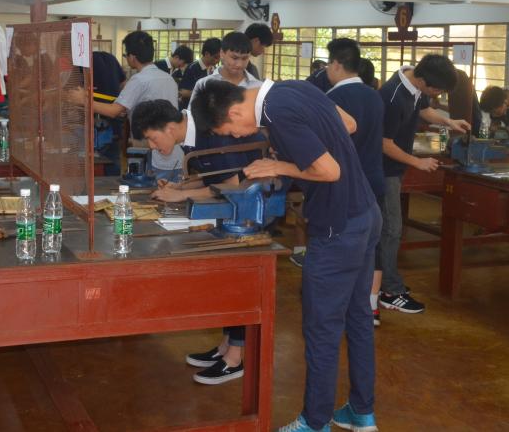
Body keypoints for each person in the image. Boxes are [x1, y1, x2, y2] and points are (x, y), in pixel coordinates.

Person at [191, 79, 381, 432]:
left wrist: (281, 166)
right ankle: (361, 412)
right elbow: (348, 124)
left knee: (322, 329)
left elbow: (330, 171)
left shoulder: (276, 113)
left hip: (337, 227)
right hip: (365, 213)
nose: (237, 136)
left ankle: (315, 422)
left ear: (234, 111)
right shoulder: (291, 87)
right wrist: (304, 152)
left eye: (230, 132)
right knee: (357, 317)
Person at [131, 99, 266, 386]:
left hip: (251, 211)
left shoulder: (212, 132)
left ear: (170, 128)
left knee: (236, 283)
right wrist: (181, 186)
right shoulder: (193, 136)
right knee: (226, 281)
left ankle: (235, 359)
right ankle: (226, 346)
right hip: (231, 209)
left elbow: (235, 184)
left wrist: (181, 195)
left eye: (153, 139)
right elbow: (212, 177)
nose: (153, 147)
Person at [379, 55, 470, 315]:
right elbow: (383, 143)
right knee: (391, 229)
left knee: (388, 228)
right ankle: (389, 290)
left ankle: (384, 280)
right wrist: (417, 162)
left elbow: (423, 110)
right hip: (384, 170)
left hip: (395, 168)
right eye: (437, 90)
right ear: (422, 81)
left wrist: (448, 121)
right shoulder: (393, 96)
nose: (437, 95)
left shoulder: (414, 84)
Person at [324, 40, 386, 330]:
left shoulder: (333, 99)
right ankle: (368, 306)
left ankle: (340, 306)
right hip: (373, 179)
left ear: (337, 64)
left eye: (329, 64)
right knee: (370, 247)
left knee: (340, 249)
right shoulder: (374, 96)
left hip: (346, 186)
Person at [88, 31, 181, 182]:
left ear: (132, 57)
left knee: (154, 188)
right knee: (171, 188)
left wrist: (84, 100)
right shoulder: (168, 78)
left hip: (155, 148)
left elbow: (113, 111)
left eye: (126, 55)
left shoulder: (139, 79)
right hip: (174, 151)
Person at [189, 32, 263, 104]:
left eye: (244, 58)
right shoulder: (203, 85)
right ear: (222, 53)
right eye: (234, 58)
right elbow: (193, 112)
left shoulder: (258, 87)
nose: (239, 64)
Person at [91, 50, 127, 177]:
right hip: (114, 118)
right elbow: (123, 83)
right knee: (113, 160)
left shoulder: (83, 64)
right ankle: (114, 185)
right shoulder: (110, 58)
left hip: (96, 120)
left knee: (93, 163)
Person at [178, 37, 220, 108]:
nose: (218, 60)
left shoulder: (215, 69)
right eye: (216, 57)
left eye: (220, 58)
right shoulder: (192, 68)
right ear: (206, 54)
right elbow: (183, 92)